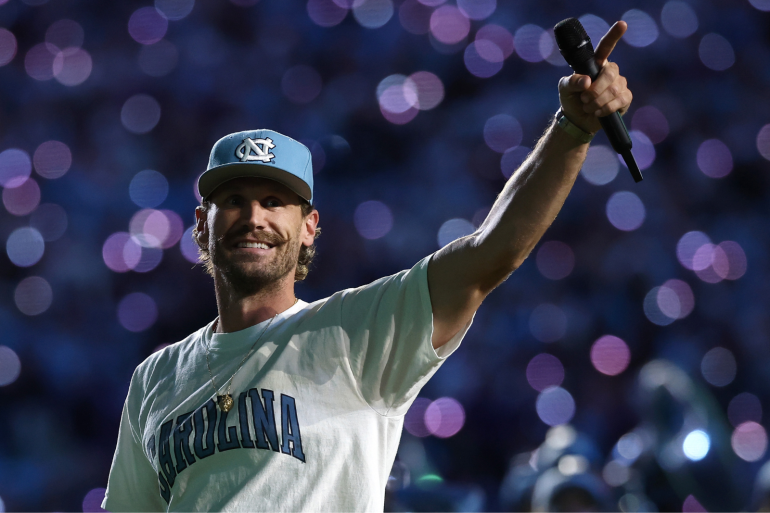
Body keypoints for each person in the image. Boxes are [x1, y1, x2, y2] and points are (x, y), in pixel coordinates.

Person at [101, 21, 633, 512]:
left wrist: (571, 130)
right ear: (201, 224)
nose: (254, 217)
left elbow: (490, 252)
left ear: (309, 226)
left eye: (273, 202)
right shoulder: (155, 378)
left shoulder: (352, 332)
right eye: (234, 201)